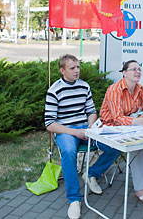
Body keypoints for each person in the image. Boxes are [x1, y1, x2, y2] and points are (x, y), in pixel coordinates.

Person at [44, 54, 121, 219]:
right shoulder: (54, 90)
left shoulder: (84, 86)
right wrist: (75, 132)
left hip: (85, 127)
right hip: (66, 130)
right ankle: (74, 199)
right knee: (69, 152)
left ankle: (91, 173)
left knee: (114, 146)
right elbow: (50, 124)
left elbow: (91, 111)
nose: (77, 71)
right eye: (72, 68)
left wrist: (91, 127)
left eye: (78, 67)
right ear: (62, 70)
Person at [100, 60, 143, 207]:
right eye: (133, 69)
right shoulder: (114, 89)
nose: (137, 72)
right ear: (124, 72)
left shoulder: (140, 88)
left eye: (139, 69)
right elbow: (117, 118)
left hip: (132, 124)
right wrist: (141, 121)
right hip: (111, 128)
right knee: (137, 144)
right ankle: (141, 188)